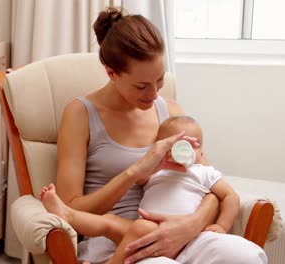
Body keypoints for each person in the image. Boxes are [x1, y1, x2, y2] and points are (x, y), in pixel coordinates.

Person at [54, 7, 267, 264]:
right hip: (120, 244)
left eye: (160, 80)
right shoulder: (80, 114)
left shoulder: (171, 111)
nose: (154, 94)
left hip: (184, 235)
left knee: (247, 256)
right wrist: (135, 171)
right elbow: (70, 209)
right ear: (111, 72)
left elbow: (209, 183)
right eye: (141, 86)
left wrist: (190, 225)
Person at [42, 115, 246, 263]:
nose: (187, 150)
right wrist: (155, 162)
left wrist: (222, 226)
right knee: (110, 223)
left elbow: (230, 196)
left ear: (202, 151)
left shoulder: (203, 172)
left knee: (141, 227)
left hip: (186, 236)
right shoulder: (158, 172)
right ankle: (68, 215)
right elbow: (138, 179)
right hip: (146, 230)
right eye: (179, 145)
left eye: (195, 145)